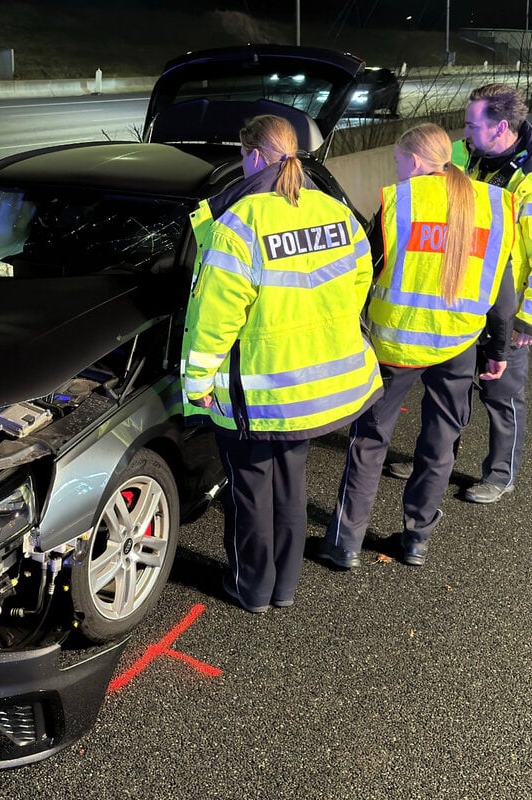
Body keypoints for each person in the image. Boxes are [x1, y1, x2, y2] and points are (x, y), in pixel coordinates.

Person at [182, 114, 382, 613]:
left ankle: (250, 588)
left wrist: (197, 381)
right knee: (290, 489)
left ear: (250, 157)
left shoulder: (241, 222)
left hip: (257, 391)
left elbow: (215, 318)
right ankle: (284, 588)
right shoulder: (334, 211)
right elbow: (359, 284)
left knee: (250, 492)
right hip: (314, 388)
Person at [318, 123, 517, 570]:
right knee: (439, 444)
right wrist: (497, 353)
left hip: (395, 345)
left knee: (370, 441)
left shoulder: (398, 203)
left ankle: (345, 543)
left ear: (413, 160)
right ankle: (416, 540)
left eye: (397, 161)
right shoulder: (494, 206)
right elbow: (503, 299)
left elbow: (361, 273)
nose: (396, 168)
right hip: (458, 345)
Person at [387, 84, 532, 501]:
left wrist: (529, 318)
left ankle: (499, 474)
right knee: (448, 390)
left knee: (501, 394)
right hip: (459, 298)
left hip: (505, 309)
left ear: (501, 128)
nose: (464, 132)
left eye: (472, 125)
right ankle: (435, 461)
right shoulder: (462, 155)